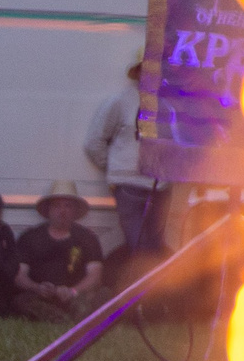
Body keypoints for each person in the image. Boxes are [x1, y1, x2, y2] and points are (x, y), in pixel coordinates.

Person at [83, 57, 158, 255]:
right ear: (138, 71)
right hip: (129, 187)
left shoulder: (169, 101)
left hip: (160, 188)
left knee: (155, 250)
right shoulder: (120, 101)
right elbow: (94, 142)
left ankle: (147, 285)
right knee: (140, 247)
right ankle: (143, 284)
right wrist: (116, 168)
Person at [13, 182, 107, 319]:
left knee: (104, 294)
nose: (62, 211)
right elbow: (19, 276)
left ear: (75, 211)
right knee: (20, 301)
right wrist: (37, 288)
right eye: (57, 206)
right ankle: (60, 318)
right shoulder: (30, 237)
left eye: (67, 206)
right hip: (41, 297)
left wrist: (73, 291)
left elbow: (95, 276)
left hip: (76, 296)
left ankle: (76, 316)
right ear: (49, 210)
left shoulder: (88, 238)